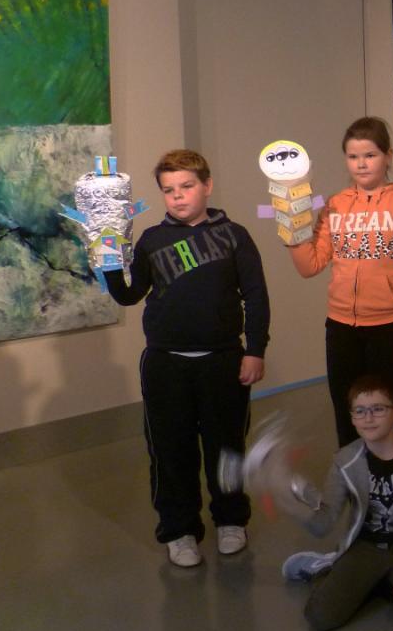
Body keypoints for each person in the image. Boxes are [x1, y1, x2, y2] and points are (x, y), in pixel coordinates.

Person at [104, 149, 270, 568]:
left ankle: (231, 520)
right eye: (168, 190)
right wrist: (108, 263)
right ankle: (179, 530)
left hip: (223, 361)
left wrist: (254, 350)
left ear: (207, 186)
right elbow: (129, 294)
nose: (178, 196)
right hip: (166, 364)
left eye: (186, 186)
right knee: (170, 451)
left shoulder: (235, 235)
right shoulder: (151, 240)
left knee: (226, 448)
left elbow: (256, 297)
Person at [288, 117, 393, 447]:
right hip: (341, 329)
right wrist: (292, 234)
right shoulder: (334, 205)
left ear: (387, 156)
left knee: (385, 417)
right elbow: (310, 265)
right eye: (353, 156)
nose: (361, 164)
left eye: (370, 155)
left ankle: (387, 476)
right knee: (347, 416)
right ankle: (352, 476)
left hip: (392, 328)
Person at [282, 375, 393, 631]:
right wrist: (294, 505)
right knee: (320, 617)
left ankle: (376, 580)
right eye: (360, 411)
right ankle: (327, 567)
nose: (368, 418)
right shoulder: (345, 461)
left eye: (378, 409)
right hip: (365, 546)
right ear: (352, 418)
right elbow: (324, 523)